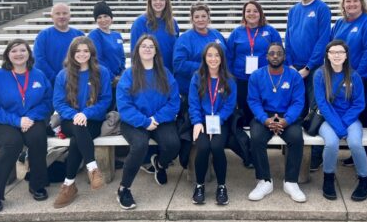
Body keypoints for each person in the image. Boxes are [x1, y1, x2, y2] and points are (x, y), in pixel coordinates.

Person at [0, 39, 53, 213]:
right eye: (14, 51)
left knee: (38, 137)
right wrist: (17, 121)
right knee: (12, 143)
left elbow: (47, 102)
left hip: (29, 119)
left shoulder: (38, 75)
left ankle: (37, 185)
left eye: (23, 50)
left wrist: (30, 117)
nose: (19, 54)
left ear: (29, 54)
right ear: (7, 55)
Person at [116, 35, 180, 210]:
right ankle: (124, 188)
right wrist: (144, 122)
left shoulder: (164, 73)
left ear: (156, 51)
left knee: (173, 144)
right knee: (139, 145)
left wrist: (156, 119)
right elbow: (124, 105)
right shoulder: (129, 75)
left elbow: (174, 102)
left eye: (151, 46)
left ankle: (160, 164)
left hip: (160, 119)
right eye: (143, 46)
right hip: (135, 121)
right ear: (137, 50)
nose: (147, 49)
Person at [52, 37, 112, 208]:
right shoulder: (63, 75)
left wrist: (86, 113)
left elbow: (105, 99)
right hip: (69, 121)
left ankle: (69, 184)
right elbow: (58, 102)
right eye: (78, 51)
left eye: (85, 51)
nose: (82, 54)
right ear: (72, 53)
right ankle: (93, 168)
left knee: (77, 140)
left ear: (91, 53)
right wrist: (75, 115)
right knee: (78, 128)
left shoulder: (102, 72)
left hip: (92, 120)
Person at [330, 0, 367, 171]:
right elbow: (331, 48)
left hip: (363, 79)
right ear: (343, 5)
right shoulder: (339, 23)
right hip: (340, 78)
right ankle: (355, 154)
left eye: (355, 1)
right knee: (352, 117)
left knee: (365, 117)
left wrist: (355, 77)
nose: (351, 4)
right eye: (348, 2)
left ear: (361, 3)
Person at [247, 43, 307, 203]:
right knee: (257, 138)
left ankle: (291, 182)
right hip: (264, 115)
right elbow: (253, 101)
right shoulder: (256, 76)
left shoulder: (294, 76)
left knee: (296, 138)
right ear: (266, 56)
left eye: (279, 53)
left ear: (284, 56)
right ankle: (264, 181)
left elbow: (298, 102)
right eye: (271, 53)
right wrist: (265, 120)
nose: (275, 56)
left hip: (288, 116)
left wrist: (286, 120)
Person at [314, 40, 367, 201]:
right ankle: (328, 178)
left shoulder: (354, 75)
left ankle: (364, 179)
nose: (337, 55)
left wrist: (344, 123)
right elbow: (322, 104)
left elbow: (359, 103)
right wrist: (338, 126)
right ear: (327, 55)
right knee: (331, 143)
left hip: (350, 119)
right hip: (328, 119)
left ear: (346, 55)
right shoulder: (320, 74)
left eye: (340, 52)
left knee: (354, 143)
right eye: (333, 52)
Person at [285, 0, 331, 170]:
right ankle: (295, 149)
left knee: (314, 110)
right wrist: (290, 64)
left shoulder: (321, 8)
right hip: (294, 68)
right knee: (296, 107)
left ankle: (315, 155)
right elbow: (288, 37)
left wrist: (309, 67)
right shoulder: (293, 10)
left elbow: (323, 40)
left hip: (314, 69)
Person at [189, 43, 237, 205]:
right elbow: (193, 103)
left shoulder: (229, 80)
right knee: (202, 147)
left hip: (220, 121)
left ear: (222, 58)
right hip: (201, 122)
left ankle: (221, 186)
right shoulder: (197, 77)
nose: (213, 59)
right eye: (209, 55)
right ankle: (200, 185)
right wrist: (196, 122)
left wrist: (216, 121)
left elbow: (229, 106)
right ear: (204, 58)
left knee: (216, 146)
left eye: (217, 55)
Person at [226, 0, 281, 125]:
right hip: (241, 79)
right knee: (244, 112)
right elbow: (229, 56)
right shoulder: (237, 32)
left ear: (260, 13)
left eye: (255, 11)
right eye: (248, 11)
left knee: (262, 111)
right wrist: (229, 76)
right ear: (244, 14)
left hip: (264, 79)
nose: (252, 14)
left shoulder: (270, 31)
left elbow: (280, 54)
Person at [173, 2, 227, 97]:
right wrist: (206, 68)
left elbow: (226, 56)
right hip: (193, 89)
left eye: (203, 16)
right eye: (197, 17)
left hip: (217, 87)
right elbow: (178, 64)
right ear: (192, 19)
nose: (200, 19)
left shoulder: (217, 34)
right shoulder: (185, 39)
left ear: (208, 18)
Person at [130, 0, 179, 73]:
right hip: (148, 74)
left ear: (166, 2)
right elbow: (134, 52)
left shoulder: (172, 22)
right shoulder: (140, 23)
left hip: (169, 73)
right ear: (150, 2)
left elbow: (176, 49)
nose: (158, 2)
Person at [33, 3, 84, 85]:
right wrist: (56, 79)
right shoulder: (43, 35)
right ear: (52, 17)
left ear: (69, 16)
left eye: (65, 13)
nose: (61, 16)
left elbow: (86, 58)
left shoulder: (79, 34)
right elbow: (39, 60)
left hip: (76, 82)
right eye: (57, 13)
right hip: (51, 83)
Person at [88, 1, 126, 83]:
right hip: (103, 79)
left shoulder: (117, 35)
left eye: (105, 16)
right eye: (99, 17)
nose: (103, 20)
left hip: (119, 78)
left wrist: (122, 72)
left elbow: (122, 57)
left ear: (111, 17)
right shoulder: (94, 35)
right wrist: (112, 78)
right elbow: (97, 59)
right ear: (96, 20)